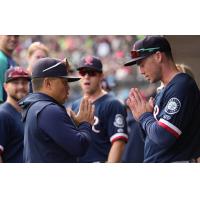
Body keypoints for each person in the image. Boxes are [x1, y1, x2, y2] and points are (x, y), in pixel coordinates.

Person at [124, 35, 200, 163]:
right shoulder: (165, 89)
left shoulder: (181, 85)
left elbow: (163, 136)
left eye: (142, 64)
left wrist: (145, 116)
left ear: (158, 56)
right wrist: (143, 118)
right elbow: (152, 139)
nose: (141, 71)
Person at [19, 57, 94, 163]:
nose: (68, 87)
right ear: (48, 83)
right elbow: (79, 147)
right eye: (64, 82)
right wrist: (85, 124)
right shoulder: (49, 110)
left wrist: (76, 126)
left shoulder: (35, 106)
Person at [71, 56, 128, 163]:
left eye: (92, 73)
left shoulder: (113, 104)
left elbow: (118, 143)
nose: (87, 76)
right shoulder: (75, 105)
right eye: (83, 73)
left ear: (101, 76)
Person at [0, 67, 30, 162]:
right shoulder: (2, 114)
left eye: (24, 82)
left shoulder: (28, 112)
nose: (21, 86)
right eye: (15, 83)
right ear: (5, 87)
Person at [0, 35, 19, 103]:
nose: (13, 39)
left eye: (16, 36)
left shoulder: (9, 60)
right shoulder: (1, 59)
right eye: (9, 35)